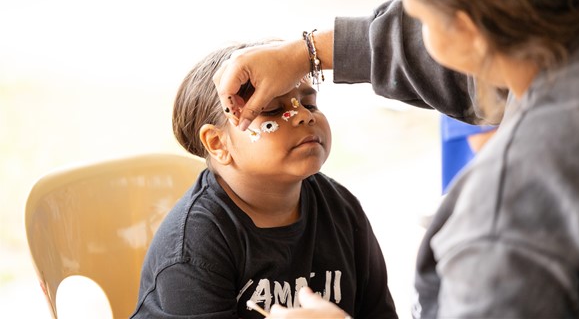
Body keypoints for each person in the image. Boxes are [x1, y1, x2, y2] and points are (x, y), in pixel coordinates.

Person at [212, 0, 579, 318]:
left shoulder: (508, 206)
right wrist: (306, 53)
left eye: (423, 19)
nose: (302, 118)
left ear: (468, 30)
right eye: (275, 111)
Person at [130, 42, 398, 319]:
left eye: (309, 103)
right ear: (218, 143)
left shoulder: (341, 209)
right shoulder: (195, 247)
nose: (303, 115)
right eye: (271, 109)